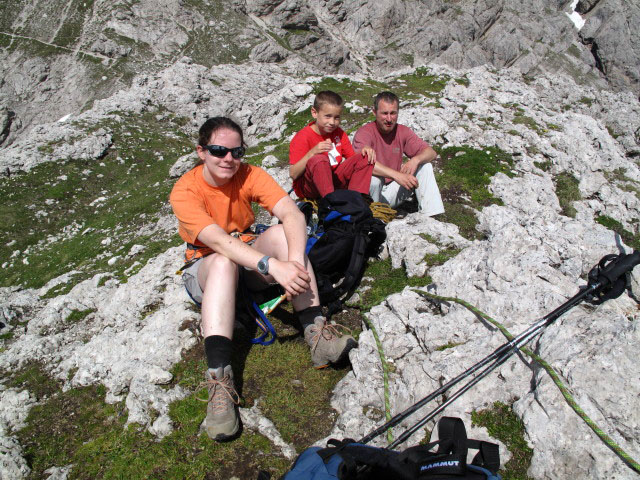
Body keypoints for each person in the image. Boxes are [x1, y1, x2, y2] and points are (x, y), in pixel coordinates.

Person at [170, 117, 357, 442]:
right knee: (225, 261)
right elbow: (217, 241)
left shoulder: (249, 175)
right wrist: (273, 266)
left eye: (236, 151)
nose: (229, 158)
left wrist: (295, 263)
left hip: (248, 257)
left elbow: (292, 213)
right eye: (219, 150)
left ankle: (316, 332)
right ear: (201, 151)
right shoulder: (185, 190)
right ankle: (218, 378)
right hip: (207, 266)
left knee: (285, 234)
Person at [352, 91, 445, 216]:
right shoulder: (365, 133)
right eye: (384, 113)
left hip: (392, 190)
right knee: (374, 179)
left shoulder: (402, 131)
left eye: (393, 113)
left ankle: (432, 215)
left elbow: (431, 153)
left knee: (425, 166)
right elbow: (363, 163)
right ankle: (373, 218)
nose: (389, 119)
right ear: (374, 112)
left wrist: (415, 160)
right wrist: (397, 175)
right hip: (370, 194)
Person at [289, 90, 376, 199]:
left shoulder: (339, 133)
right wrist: (312, 153)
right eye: (328, 116)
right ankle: (331, 204)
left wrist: (365, 150)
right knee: (319, 159)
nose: (332, 122)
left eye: (336, 117)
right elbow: (293, 174)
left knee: (365, 157)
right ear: (314, 113)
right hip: (310, 187)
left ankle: (356, 200)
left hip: (332, 181)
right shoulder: (303, 137)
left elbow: (353, 161)